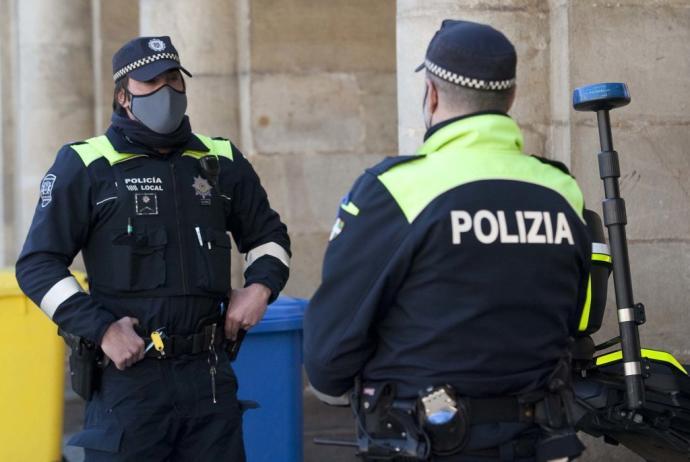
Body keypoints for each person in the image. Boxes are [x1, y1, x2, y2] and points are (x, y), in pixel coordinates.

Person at [304, 20, 591, 461]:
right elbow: (575, 318)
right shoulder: (562, 191)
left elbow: (329, 355)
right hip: (537, 440)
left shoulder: (395, 191)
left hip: (424, 442)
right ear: (509, 99)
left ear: (432, 94)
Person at [16, 36, 290, 460]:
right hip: (129, 383)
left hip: (209, 380)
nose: (166, 91)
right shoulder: (87, 165)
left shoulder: (219, 160)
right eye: (151, 82)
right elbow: (37, 265)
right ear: (123, 95)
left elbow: (269, 237)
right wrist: (102, 329)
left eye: (173, 79)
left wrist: (260, 289)